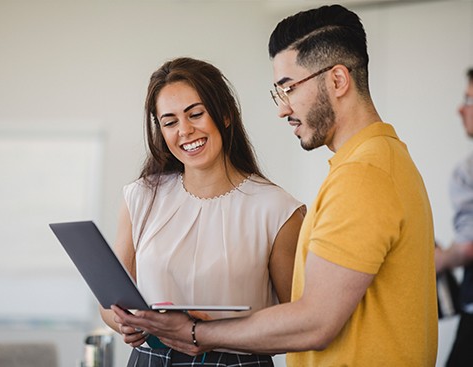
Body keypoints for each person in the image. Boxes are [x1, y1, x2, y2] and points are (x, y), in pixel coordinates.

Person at [112, 4, 438, 366]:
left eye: (289, 88)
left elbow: (314, 321)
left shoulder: (363, 176)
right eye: (169, 121)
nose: (283, 109)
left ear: (338, 80)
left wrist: (195, 334)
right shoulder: (377, 162)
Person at [99, 57, 306, 366]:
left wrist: (206, 333)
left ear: (224, 115)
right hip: (150, 358)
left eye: (195, 114)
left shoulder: (277, 209)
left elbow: (299, 322)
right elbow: (109, 304)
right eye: (170, 122)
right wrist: (125, 323)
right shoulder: (140, 197)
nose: (185, 131)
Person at [435, 68, 473, 367]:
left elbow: (469, 246)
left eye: (469, 100)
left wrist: (436, 259)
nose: (461, 109)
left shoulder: (468, 171)